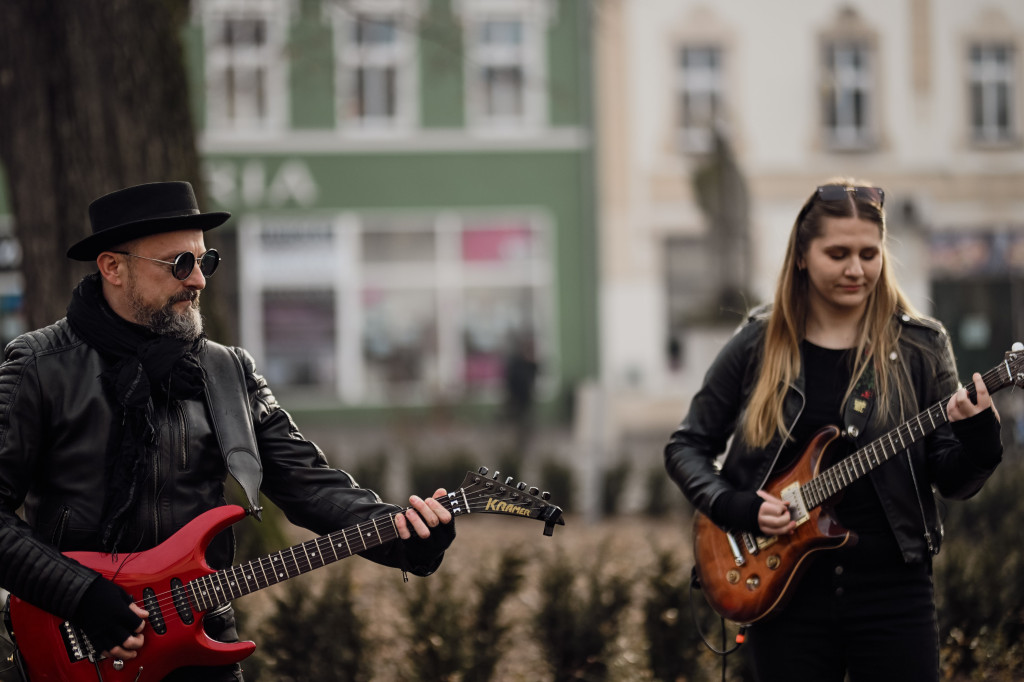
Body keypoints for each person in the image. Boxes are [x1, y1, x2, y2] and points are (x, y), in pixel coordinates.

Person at [0, 181, 456, 681]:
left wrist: (407, 537)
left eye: (204, 261)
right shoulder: (39, 366)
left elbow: (310, 485)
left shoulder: (227, 372)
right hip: (71, 643)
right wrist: (81, 595)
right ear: (113, 267)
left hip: (200, 648)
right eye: (179, 264)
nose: (198, 280)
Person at [664, 179, 1003, 681]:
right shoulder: (759, 343)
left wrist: (980, 442)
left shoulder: (920, 347)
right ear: (802, 256)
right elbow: (687, 446)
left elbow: (951, 478)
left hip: (894, 593)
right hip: (785, 596)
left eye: (870, 253)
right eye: (838, 253)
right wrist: (738, 507)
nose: (856, 269)